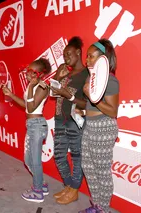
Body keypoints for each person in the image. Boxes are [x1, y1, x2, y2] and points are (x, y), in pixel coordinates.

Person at [78, 39, 119, 213]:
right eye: (87, 56)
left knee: (102, 172)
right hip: (90, 125)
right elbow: (92, 106)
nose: (87, 60)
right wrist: (82, 111)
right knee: (87, 166)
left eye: (91, 56)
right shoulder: (91, 77)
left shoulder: (111, 80)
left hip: (104, 127)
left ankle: (104, 208)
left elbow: (112, 111)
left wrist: (91, 96)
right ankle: (97, 204)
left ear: (103, 58)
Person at [2, 58, 51, 203]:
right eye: (27, 71)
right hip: (32, 124)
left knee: (35, 160)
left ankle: (37, 192)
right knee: (28, 160)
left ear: (40, 74)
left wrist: (30, 86)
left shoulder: (43, 87)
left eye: (31, 72)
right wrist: (11, 95)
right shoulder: (33, 86)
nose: (27, 75)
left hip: (37, 125)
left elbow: (31, 107)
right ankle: (41, 184)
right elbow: (26, 105)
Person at [50, 36, 89, 204]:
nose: (66, 58)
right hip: (59, 118)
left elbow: (89, 103)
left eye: (69, 54)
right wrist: (58, 76)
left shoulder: (87, 73)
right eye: (64, 55)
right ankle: (69, 186)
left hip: (75, 120)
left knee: (76, 156)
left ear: (78, 52)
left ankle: (73, 190)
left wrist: (70, 96)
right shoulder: (65, 71)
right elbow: (53, 93)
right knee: (58, 155)